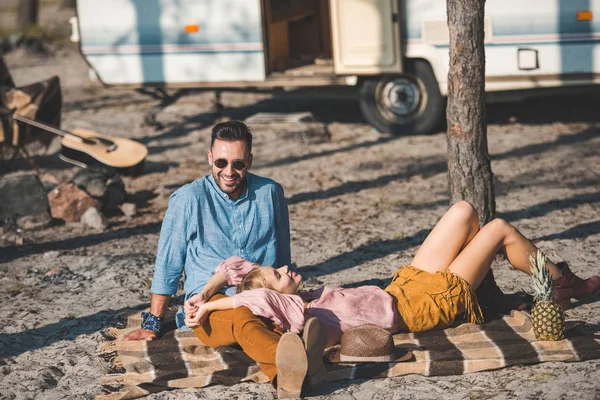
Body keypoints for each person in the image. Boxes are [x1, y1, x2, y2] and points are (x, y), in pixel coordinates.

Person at [185, 201, 600, 347]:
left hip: (406, 285)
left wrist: (206, 292)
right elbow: (254, 297)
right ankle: (566, 283)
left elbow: (237, 268)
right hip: (424, 306)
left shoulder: (301, 295)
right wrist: (217, 307)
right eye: (278, 275)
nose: (282, 268)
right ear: (277, 299)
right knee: (499, 229)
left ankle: (492, 297)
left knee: (465, 212)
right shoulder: (297, 313)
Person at [121, 121, 325, 399]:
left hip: (266, 294)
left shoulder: (271, 193)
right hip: (211, 302)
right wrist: (153, 322)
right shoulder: (188, 199)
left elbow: (283, 255)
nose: (229, 172)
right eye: (221, 162)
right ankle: (288, 364)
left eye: (238, 164)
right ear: (209, 158)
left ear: (249, 161)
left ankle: (292, 368)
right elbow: (168, 263)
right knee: (243, 315)